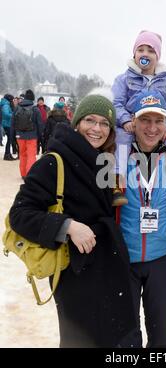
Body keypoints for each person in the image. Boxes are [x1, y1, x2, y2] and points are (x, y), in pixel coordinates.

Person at [8, 94, 136, 348]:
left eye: (104, 123)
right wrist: (67, 226)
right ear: (77, 122)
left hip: (109, 269)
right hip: (76, 275)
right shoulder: (53, 162)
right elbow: (19, 215)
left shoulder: (102, 161)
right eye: (90, 120)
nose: (97, 129)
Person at [117, 90, 166, 348]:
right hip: (124, 258)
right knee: (125, 333)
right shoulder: (116, 158)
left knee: (162, 334)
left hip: (161, 259)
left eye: (158, 121)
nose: (152, 128)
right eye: (145, 120)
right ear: (134, 121)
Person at [112, 30, 166, 206]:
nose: (145, 54)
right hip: (132, 125)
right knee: (119, 139)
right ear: (134, 53)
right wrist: (125, 120)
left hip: (159, 126)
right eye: (140, 49)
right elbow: (116, 103)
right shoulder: (124, 79)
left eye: (151, 50)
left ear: (157, 56)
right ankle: (116, 183)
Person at [12, 89, 42, 178]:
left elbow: (13, 123)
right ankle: (30, 175)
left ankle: (23, 174)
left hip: (19, 136)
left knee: (22, 155)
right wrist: (40, 137)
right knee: (31, 156)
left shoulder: (17, 108)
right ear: (32, 99)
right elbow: (40, 124)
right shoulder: (35, 109)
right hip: (32, 136)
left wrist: (13, 135)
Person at [0, 94, 15, 160]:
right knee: (9, 139)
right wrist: (13, 115)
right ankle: (7, 154)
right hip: (7, 124)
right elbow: (6, 114)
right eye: (12, 100)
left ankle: (8, 153)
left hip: (7, 123)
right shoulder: (6, 105)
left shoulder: (5, 104)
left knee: (10, 139)